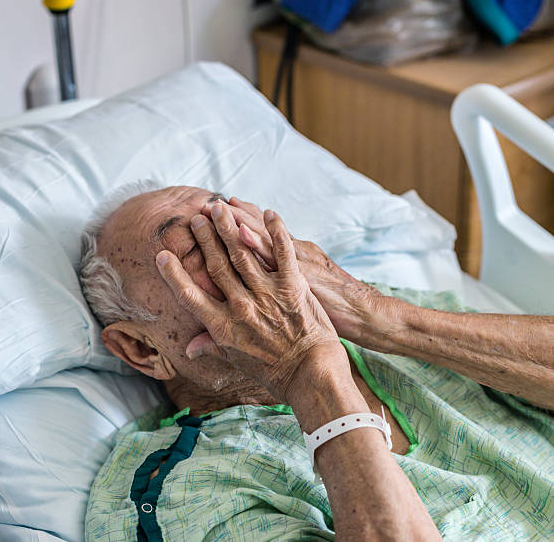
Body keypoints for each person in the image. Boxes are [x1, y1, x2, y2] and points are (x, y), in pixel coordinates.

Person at [80, 182, 554, 541]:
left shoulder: (381, 322)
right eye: (196, 250)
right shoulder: (186, 489)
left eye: (231, 218)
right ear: (143, 350)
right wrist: (305, 370)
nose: (244, 242)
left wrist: (387, 319)